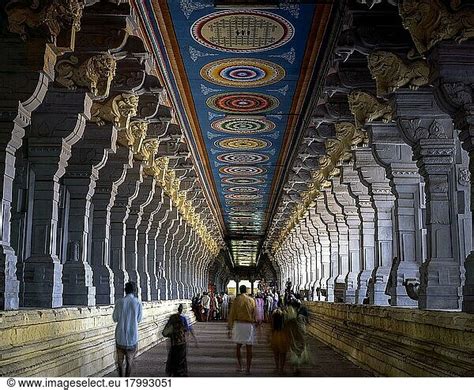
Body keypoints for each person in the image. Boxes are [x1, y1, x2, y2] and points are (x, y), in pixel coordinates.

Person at [112, 281, 143, 377]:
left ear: (125, 290)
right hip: (132, 337)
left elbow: (115, 318)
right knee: (129, 362)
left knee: (120, 362)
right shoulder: (138, 303)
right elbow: (139, 319)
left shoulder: (119, 302)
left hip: (120, 336)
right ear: (134, 291)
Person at [227, 285, 256, 375]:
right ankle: (248, 369)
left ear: (239, 290)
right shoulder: (251, 300)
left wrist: (230, 328)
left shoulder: (236, 300)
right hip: (249, 325)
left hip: (239, 325)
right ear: (246, 291)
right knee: (249, 348)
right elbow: (255, 313)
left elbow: (232, 314)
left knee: (238, 347)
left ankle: (240, 367)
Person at [164, 304, 198, 377]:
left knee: (173, 358)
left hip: (173, 343)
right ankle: (181, 373)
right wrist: (194, 339)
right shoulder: (184, 318)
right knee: (182, 359)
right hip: (182, 342)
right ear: (183, 310)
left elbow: (164, 332)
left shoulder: (172, 318)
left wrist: (171, 335)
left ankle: (173, 372)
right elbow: (188, 329)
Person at [270, 308, 289, 375]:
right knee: (283, 354)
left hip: (275, 336)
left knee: (276, 353)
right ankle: (281, 369)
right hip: (283, 336)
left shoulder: (274, 316)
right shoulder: (285, 316)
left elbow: (272, 327)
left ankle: (277, 367)